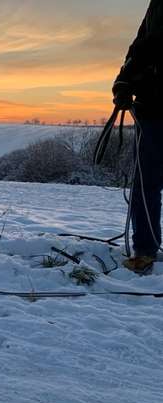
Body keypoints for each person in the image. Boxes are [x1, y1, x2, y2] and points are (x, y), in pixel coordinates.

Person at [112, 0, 163, 273]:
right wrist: (123, 82)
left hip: (152, 106)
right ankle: (145, 250)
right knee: (145, 183)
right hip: (151, 108)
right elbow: (141, 45)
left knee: (147, 183)